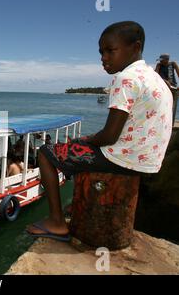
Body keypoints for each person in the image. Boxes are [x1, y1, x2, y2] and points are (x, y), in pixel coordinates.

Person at [26, 21, 173, 242]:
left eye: (110, 51)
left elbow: (109, 136)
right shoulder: (157, 79)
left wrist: (86, 139)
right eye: (101, 52)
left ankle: (56, 221)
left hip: (123, 159)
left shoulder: (125, 79)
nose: (103, 58)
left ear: (136, 47)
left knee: (46, 153)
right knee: (77, 148)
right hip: (150, 161)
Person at [155, 54, 178, 123]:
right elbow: (155, 75)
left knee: (172, 106)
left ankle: (169, 122)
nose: (161, 62)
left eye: (162, 60)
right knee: (162, 104)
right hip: (162, 87)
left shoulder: (173, 64)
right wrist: (165, 81)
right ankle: (161, 120)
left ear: (167, 60)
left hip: (173, 87)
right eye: (160, 61)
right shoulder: (159, 65)